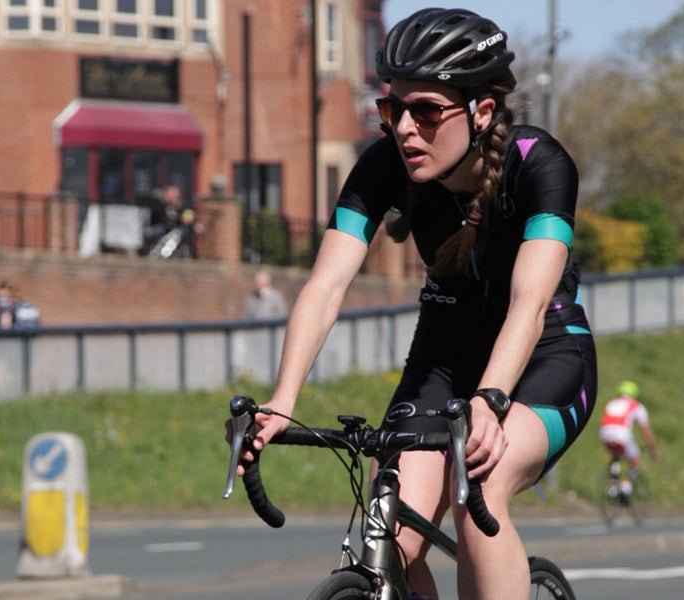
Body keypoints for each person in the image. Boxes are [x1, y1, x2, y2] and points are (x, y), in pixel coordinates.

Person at [235, 9, 597, 599]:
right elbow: (325, 287)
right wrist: (284, 397)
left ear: (482, 111)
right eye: (391, 108)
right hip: (444, 353)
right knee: (390, 528)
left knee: (480, 482)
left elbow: (529, 306)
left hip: (542, 356)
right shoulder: (384, 165)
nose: (404, 127)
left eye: (426, 111)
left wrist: (490, 398)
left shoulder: (540, 165)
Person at [598, 380, 659, 495]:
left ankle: (613, 487)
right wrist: (653, 449)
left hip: (604, 434)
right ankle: (626, 488)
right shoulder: (636, 405)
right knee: (635, 459)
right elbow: (645, 430)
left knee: (615, 456)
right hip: (622, 435)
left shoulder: (611, 402)